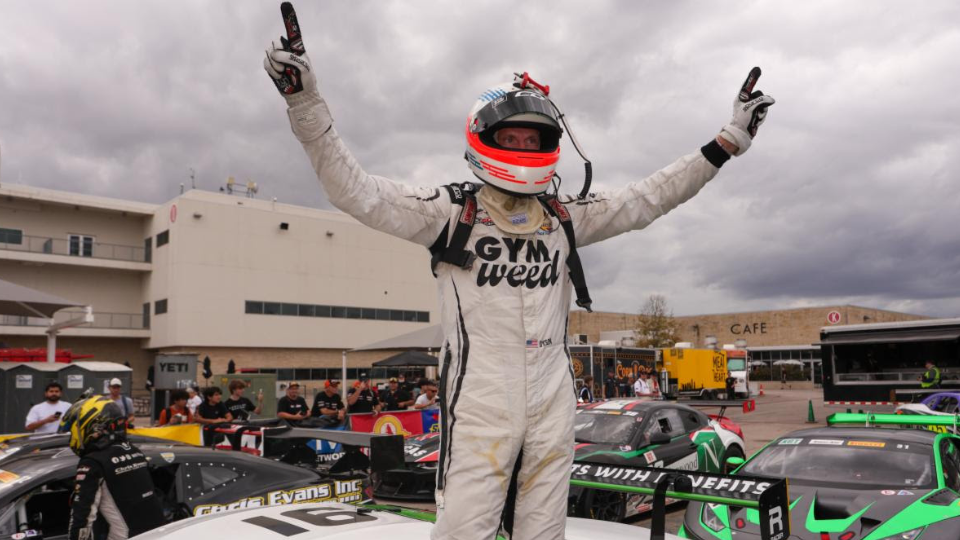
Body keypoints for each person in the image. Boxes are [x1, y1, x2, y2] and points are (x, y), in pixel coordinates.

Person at [264, 6, 773, 537]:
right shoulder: (450, 211)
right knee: (464, 529)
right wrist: (305, 101)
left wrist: (726, 143)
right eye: (513, 139)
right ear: (484, 137)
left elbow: (647, 198)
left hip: (554, 393)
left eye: (535, 139)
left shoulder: (563, 216)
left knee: (545, 530)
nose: (525, 148)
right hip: (479, 396)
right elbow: (355, 190)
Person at [60, 395, 165, 539]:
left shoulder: (92, 462)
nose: (72, 436)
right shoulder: (133, 450)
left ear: (91, 426)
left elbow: (82, 515)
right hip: (161, 532)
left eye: (72, 431)